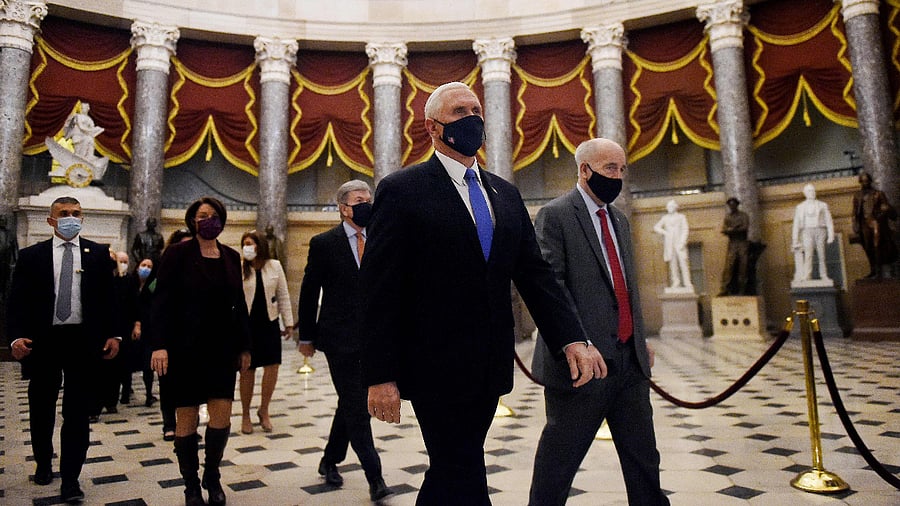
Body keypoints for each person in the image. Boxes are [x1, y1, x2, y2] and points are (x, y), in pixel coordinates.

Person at [361, 82, 605, 505]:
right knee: (461, 464)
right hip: (433, 364)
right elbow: (379, 288)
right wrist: (379, 375)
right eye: (460, 111)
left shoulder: (504, 193)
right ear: (433, 128)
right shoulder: (402, 189)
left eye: (477, 109)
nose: (474, 117)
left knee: (455, 467)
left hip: (489, 363)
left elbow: (536, 275)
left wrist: (571, 337)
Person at [528, 138, 668, 506]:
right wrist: (577, 341)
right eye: (610, 169)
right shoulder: (556, 215)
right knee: (558, 465)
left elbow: (623, 284)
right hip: (582, 366)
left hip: (629, 364)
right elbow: (550, 288)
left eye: (622, 169)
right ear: (584, 170)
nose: (617, 177)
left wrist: (638, 336)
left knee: (644, 462)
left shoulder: (618, 219)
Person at [6, 196, 120, 504]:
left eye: (76, 213)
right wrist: (16, 337)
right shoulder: (32, 256)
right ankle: (44, 461)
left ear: (82, 219)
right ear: (51, 220)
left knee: (77, 412)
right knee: (41, 407)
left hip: (83, 341)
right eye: (64, 213)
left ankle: (71, 478)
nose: (71, 217)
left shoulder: (97, 254)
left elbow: (109, 300)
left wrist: (114, 335)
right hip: (44, 341)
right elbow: (16, 301)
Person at [149, 197, 251, 506]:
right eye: (201, 216)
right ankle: (191, 485)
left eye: (213, 215)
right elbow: (161, 301)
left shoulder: (232, 257)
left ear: (222, 219)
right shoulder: (177, 254)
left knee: (221, 417)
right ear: (193, 221)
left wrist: (245, 346)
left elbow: (240, 306)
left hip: (221, 350)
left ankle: (213, 474)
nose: (208, 220)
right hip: (184, 350)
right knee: (187, 419)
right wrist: (159, 344)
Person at [297, 180, 393, 502]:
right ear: (343, 207)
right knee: (357, 405)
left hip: (375, 338)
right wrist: (306, 336)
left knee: (349, 404)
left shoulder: (380, 239)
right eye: (358, 200)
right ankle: (375, 476)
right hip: (339, 339)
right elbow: (310, 292)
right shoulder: (324, 243)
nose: (367, 204)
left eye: (369, 198)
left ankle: (329, 460)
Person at [238, 230, 294, 434]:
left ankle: (264, 409)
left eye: (250, 243)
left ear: (260, 246)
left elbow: (283, 295)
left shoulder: (274, 266)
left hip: (269, 322)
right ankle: (245, 414)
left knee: (272, 366)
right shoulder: (240, 268)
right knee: (247, 370)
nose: (247, 247)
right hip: (247, 325)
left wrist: (288, 323)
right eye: (244, 244)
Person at [851, 171, 898, 279]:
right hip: (864, 224)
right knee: (868, 247)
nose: (865, 183)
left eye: (867, 181)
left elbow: (887, 207)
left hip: (876, 222)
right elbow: (854, 212)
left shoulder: (878, 193)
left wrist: (885, 210)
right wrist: (854, 223)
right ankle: (873, 270)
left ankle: (879, 271)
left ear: (870, 181)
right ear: (860, 182)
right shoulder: (857, 195)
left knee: (877, 245)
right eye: (863, 181)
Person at [130, 257, 159, 408]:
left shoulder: (153, 285)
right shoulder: (130, 282)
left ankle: (148, 394)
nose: (146, 268)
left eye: (149, 266)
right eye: (143, 265)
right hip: (130, 327)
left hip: (148, 329)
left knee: (148, 363)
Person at [792, 184, 835, 283]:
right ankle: (807, 275)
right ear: (805, 193)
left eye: (813, 190)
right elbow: (796, 223)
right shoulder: (800, 207)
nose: (812, 192)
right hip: (807, 231)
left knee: (822, 254)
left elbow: (829, 220)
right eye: (810, 191)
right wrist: (795, 239)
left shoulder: (822, 205)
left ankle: (824, 275)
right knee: (808, 254)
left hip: (820, 230)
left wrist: (831, 234)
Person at [652, 199, 693, 291]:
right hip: (670, 244)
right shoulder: (665, 218)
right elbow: (656, 227)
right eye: (668, 207)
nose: (669, 208)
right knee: (673, 264)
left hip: (679, 243)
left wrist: (682, 242)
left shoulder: (681, 217)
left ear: (675, 207)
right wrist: (665, 232)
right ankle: (676, 282)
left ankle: (687, 282)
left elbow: (685, 229)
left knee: (683, 263)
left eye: (671, 206)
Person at [718, 197, 750, 295]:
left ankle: (742, 289)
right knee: (729, 266)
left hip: (742, 243)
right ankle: (724, 289)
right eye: (730, 205)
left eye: (733, 204)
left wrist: (733, 229)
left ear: (736, 205)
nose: (731, 207)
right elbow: (724, 229)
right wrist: (733, 229)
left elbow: (745, 227)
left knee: (743, 266)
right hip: (732, 243)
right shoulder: (728, 217)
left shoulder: (743, 215)